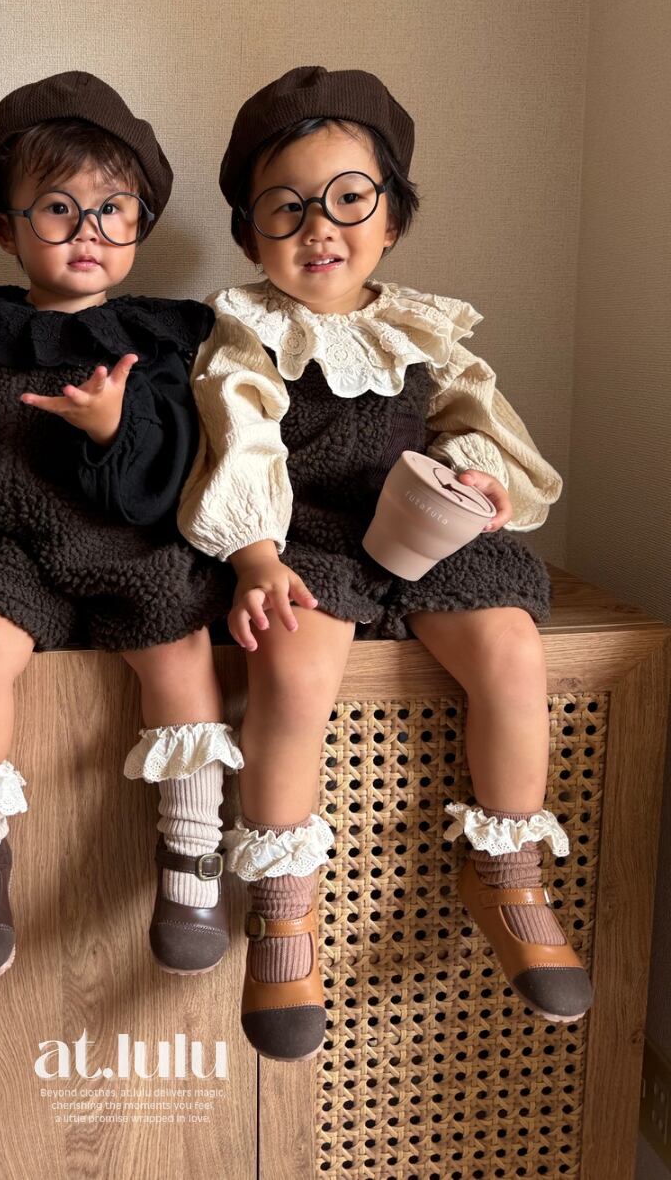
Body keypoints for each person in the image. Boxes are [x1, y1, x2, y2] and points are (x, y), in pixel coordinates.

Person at [178, 65, 592, 1062]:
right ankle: (283, 910)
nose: (318, 227)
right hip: (304, 536)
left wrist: (481, 478)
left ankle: (507, 872)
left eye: (348, 199)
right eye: (286, 207)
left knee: (511, 648)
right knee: (290, 669)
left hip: (422, 530)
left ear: (392, 217)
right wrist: (256, 557)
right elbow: (241, 442)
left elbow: (474, 423)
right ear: (250, 235)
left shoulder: (422, 327)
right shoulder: (248, 332)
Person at [0, 71, 239, 987]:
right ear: (5, 227)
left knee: (180, 644)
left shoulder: (159, 342)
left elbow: (171, 479)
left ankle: (191, 855)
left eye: (112, 210)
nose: (87, 232)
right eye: (59, 209)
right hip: (5, 548)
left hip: (129, 546)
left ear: (139, 224)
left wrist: (113, 428)